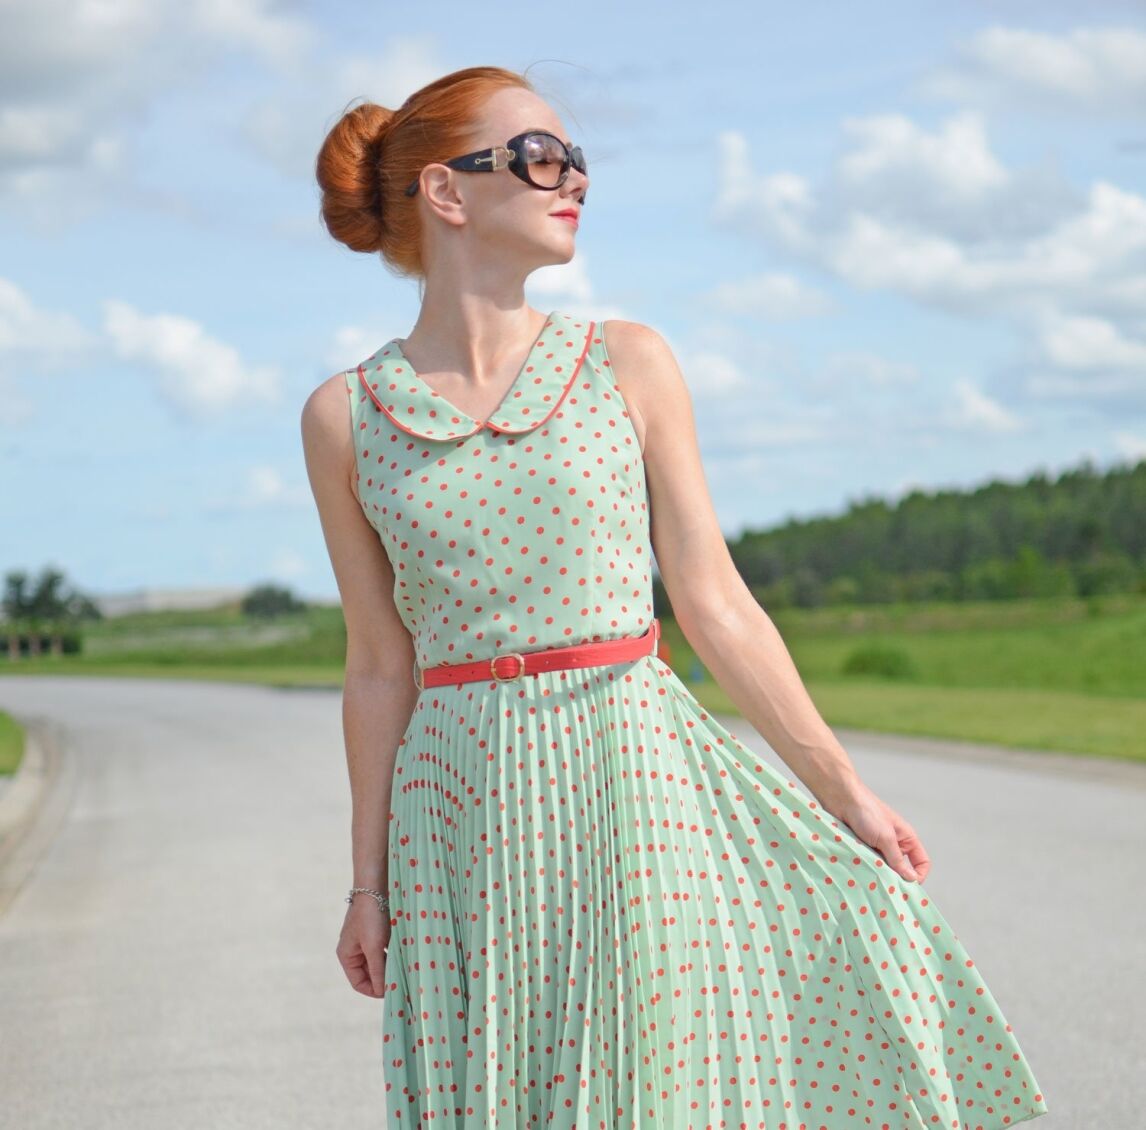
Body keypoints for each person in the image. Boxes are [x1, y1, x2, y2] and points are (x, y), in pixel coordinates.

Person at [301, 65, 1049, 1129]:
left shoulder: (628, 361)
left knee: (649, 1088)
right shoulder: (344, 416)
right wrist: (366, 884)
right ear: (447, 191)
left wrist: (846, 792)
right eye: (540, 155)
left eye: (576, 160)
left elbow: (714, 597)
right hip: (455, 800)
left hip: (630, 767)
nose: (574, 181)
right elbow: (378, 661)